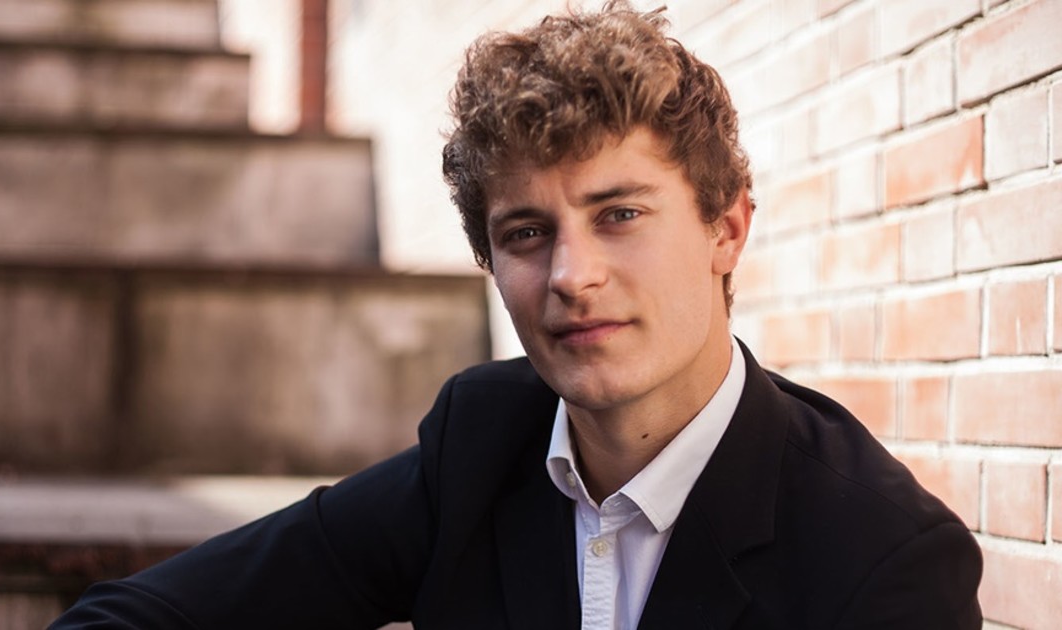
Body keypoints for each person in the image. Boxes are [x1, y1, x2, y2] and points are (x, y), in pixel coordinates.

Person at [52, 3, 983, 628]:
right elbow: (146, 615)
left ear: (726, 229)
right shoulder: (481, 443)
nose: (571, 276)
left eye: (619, 215)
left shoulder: (883, 562)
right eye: (528, 233)